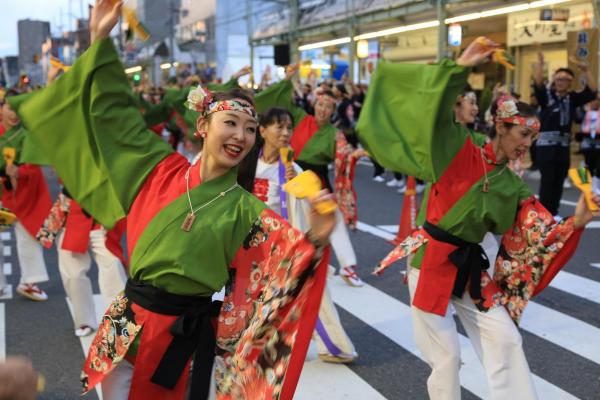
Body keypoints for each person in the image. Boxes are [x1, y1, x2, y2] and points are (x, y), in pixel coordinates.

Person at [10, 1, 336, 399]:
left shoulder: (246, 209)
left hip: (179, 336)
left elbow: (289, 263)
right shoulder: (158, 168)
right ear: (202, 126)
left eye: (250, 129)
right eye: (230, 123)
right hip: (125, 322)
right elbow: (115, 114)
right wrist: (99, 38)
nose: (241, 135)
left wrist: (317, 237)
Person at [357, 37, 600, 400]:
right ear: (500, 128)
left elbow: (541, 230)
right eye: (522, 135)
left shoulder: (511, 184)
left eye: (532, 139)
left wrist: (577, 219)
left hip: (470, 267)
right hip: (431, 262)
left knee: (505, 338)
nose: (526, 146)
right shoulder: (458, 148)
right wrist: (461, 67)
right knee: (448, 358)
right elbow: (434, 114)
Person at [238, 106, 358, 364]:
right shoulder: (246, 161)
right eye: (278, 126)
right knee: (255, 299)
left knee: (312, 291)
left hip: (286, 244)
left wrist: (295, 184)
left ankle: (333, 345)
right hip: (252, 244)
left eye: (289, 127)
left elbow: (315, 204)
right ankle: (259, 348)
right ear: (262, 130)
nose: (285, 132)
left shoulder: (292, 168)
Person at [254, 65, 367, 287]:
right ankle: (295, 259)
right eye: (320, 104)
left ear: (333, 111)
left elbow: (343, 152)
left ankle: (348, 266)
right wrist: (286, 80)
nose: (323, 109)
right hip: (288, 171)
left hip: (314, 178)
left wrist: (354, 154)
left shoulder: (335, 134)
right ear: (314, 105)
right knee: (290, 220)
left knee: (331, 217)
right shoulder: (298, 117)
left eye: (328, 107)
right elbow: (279, 109)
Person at [37, 187, 128, 337]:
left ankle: (120, 319)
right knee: (73, 273)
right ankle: (83, 320)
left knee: (113, 266)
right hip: (72, 213)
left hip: (103, 211)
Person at [0, 89, 52, 301]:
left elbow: (35, 163)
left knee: (28, 235)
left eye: (19, 109)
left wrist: (19, 171)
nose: (14, 113)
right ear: (1, 108)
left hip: (25, 191)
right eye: (10, 107)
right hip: (2, 191)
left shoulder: (28, 134)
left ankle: (29, 282)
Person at [533, 52, 597, 217]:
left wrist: (586, 70)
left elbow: (592, 91)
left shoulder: (572, 98)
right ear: (554, 80)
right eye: (559, 78)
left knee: (559, 182)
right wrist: (540, 63)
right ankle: (544, 215)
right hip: (546, 148)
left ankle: (554, 214)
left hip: (563, 149)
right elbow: (538, 84)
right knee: (547, 182)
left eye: (566, 79)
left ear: (570, 83)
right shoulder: (546, 97)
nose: (562, 82)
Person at [578, 96, 600, 194]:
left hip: (598, 144)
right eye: (592, 101)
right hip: (587, 144)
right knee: (587, 164)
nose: (594, 103)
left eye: (597, 101)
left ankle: (595, 185)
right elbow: (577, 119)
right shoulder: (584, 112)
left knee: (598, 165)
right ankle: (584, 181)